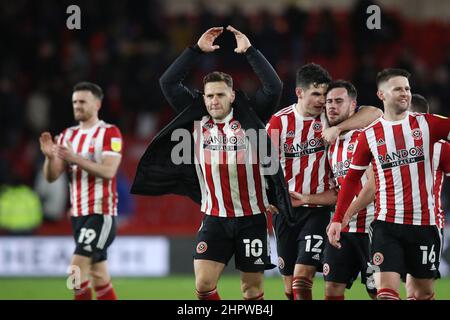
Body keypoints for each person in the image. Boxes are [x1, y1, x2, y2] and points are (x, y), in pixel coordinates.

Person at [131, 26, 294, 300]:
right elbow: (168, 83)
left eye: (220, 94)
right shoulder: (196, 118)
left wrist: (250, 52)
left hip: (252, 217)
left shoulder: (251, 117)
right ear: (203, 98)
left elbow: (273, 86)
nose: (214, 100)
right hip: (215, 217)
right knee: (204, 285)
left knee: (251, 289)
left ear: (232, 95)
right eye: (209, 95)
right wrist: (194, 50)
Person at [328, 68, 450, 300]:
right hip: (387, 224)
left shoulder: (428, 124)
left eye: (407, 88)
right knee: (385, 293)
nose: (405, 93)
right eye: (398, 89)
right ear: (382, 95)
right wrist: (338, 218)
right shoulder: (370, 135)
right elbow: (352, 179)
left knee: (422, 293)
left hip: (425, 224)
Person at [266, 66, 382, 300]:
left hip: (320, 211)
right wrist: (265, 196)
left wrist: (337, 128)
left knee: (302, 279)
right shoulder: (279, 123)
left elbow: (375, 112)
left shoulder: (329, 118)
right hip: (287, 213)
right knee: (290, 287)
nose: (322, 101)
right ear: (299, 93)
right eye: (316, 95)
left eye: (325, 95)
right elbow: (260, 166)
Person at [39, 82, 122, 300]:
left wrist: (75, 158)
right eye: (75, 102)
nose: (77, 106)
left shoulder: (109, 133)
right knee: (98, 276)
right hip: (78, 215)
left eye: (82, 101)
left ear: (97, 104)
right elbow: (51, 176)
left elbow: (109, 171)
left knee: (74, 272)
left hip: (100, 212)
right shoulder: (67, 135)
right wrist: (49, 158)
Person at [403, 94, 450, 299]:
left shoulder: (440, 146)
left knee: (420, 290)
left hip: (428, 224)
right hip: (396, 221)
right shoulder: (392, 144)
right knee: (410, 288)